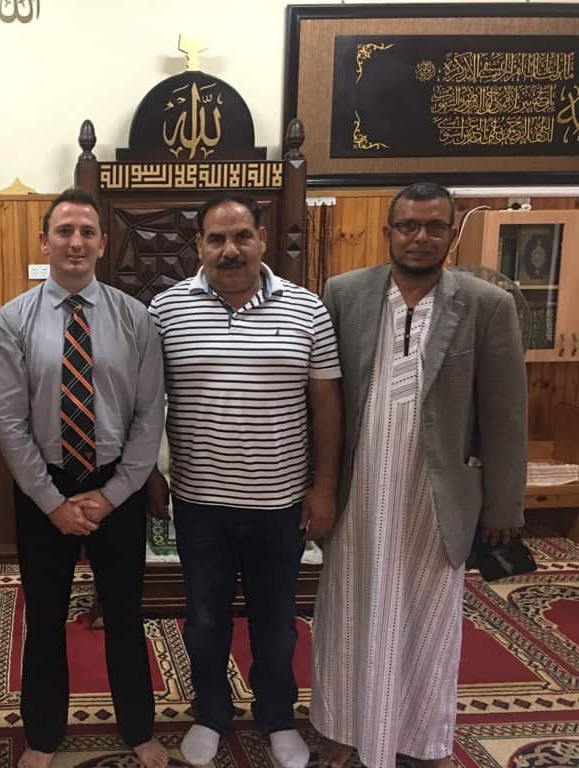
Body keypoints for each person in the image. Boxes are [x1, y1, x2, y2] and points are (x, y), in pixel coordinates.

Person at [311, 182, 527, 768]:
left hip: (435, 496)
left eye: (434, 226)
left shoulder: (486, 305)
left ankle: (422, 738)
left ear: (451, 232)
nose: (421, 236)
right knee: (346, 611)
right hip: (359, 489)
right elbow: (322, 400)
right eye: (408, 225)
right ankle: (341, 728)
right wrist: (318, 484)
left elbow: (506, 414)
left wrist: (504, 506)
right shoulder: (345, 294)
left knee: (429, 618)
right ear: (389, 232)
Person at [147, 191, 342, 768]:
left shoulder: (307, 310)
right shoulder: (167, 310)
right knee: (204, 619)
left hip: (279, 504)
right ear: (199, 245)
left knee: (276, 622)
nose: (229, 250)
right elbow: (144, 402)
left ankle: (277, 717)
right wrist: (148, 478)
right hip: (199, 502)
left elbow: (327, 405)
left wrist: (323, 486)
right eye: (216, 239)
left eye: (241, 237)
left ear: (262, 239)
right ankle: (210, 713)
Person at [0, 188, 169, 768]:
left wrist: (115, 495)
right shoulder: (13, 320)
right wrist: (51, 501)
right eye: (64, 231)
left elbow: (149, 415)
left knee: (123, 614)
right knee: (44, 617)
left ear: (103, 243)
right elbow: (8, 422)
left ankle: (139, 729)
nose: (75, 242)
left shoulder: (135, 318)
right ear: (44, 241)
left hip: (116, 485)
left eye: (87, 231)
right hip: (45, 485)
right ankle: (42, 736)